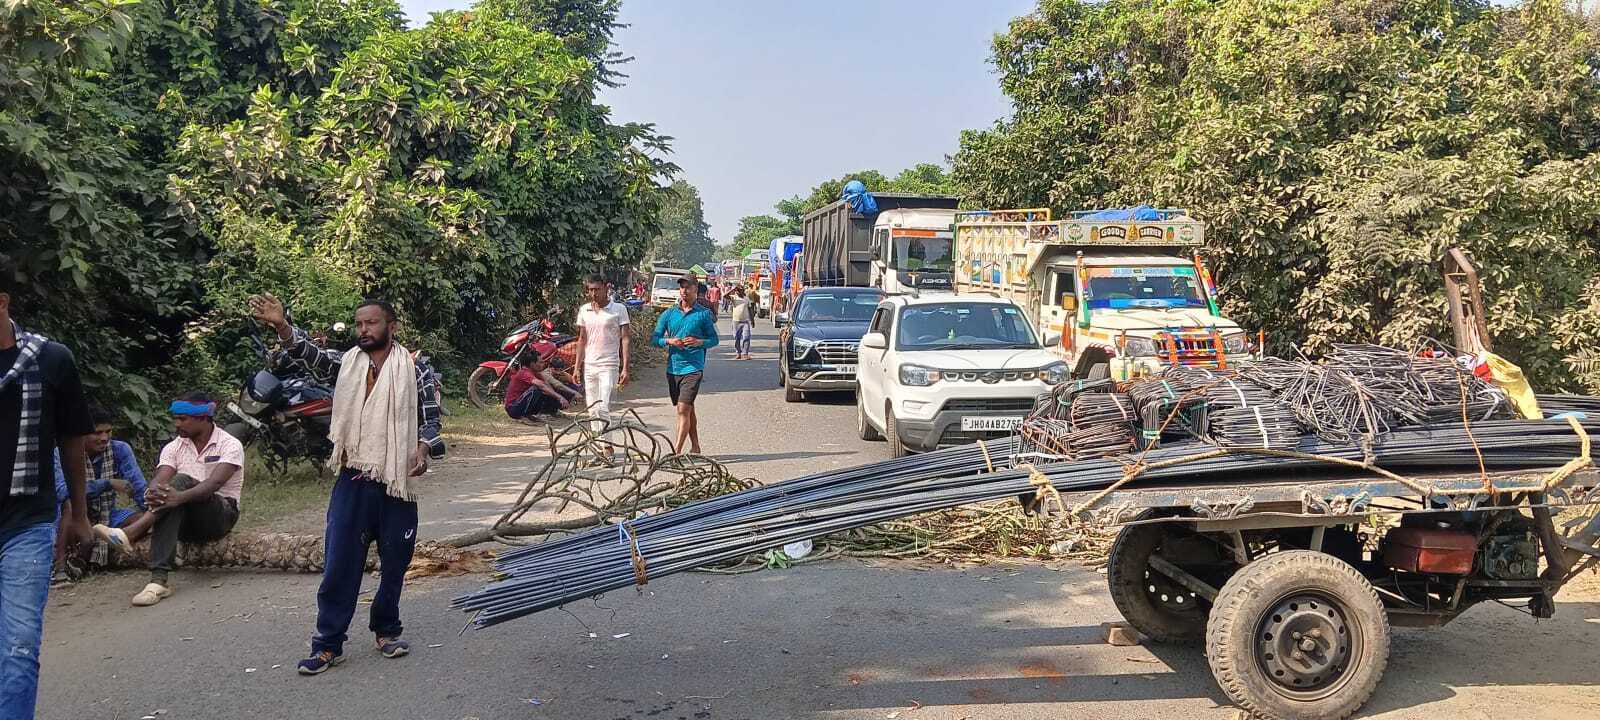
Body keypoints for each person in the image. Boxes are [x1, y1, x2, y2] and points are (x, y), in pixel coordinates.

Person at [249, 294, 444, 675]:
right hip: (353, 478)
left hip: (395, 483)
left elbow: (432, 421)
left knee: (395, 562)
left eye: (371, 323)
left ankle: (386, 630)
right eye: (359, 324)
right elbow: (310, 355)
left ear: (392, 327)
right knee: (340, 563)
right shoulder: (348, 363)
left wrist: (422, 450)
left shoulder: (415, 369)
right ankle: (327, 644)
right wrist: (282, 325)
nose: (363, 330)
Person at [0, 274, 93, 720]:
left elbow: (72, 440)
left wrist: (79, 512)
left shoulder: (52, 359)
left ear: (2, 302)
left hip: (27, 524)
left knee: (18, 649)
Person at [120, 391, 244, 607]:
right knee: (171, 492)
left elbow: (213, 484)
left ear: (203, 418)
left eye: (182, 419)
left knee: (182, 482)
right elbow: (160, 480)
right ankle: (158, 582)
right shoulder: (173, 447)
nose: (176, 424)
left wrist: (178, 497)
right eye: (176, 418)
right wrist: (156, 492)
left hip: (220, 516)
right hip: (184, 520)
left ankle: (134, 532)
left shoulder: (230, 444)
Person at [50, 405, 147, 580]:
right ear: (81, 434)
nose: (104, 438)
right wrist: (107, 483)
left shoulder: (120, 449)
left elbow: (138, 486)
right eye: (97, 433)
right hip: (71, 518)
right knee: (70, 504)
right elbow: (63, 492)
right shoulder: (60, 454)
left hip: (107, 514)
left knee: (141, 519)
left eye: (108, 432)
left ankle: (103, 549)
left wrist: (153, 509)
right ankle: (61, 567)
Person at [651, 278, 719, 455]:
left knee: (683, 409)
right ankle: (695, 447)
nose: (684, 291)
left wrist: (699, 342)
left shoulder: (703, 314)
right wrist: (669, 341)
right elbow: (655, 339)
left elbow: (714, 339)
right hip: (673, 368)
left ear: (696, 289)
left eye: (688, 287)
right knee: (688, 409)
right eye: (682, 287)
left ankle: (676, 452)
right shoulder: (669, 314)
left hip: (693, 368)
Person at [573, 274, 631, 432]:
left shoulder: (619, 309)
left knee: (603, 408)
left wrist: (625, 368)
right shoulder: (584, 310)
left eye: (597, 289)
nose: (594, 293)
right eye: (590, 290)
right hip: (590, 365)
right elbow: (582, 339)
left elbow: (625, 339)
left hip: (609, 364)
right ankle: (598, 443)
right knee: (592, 409)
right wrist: (577, 367)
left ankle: (606, 444)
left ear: (606, 288)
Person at [728, 287, 754, 361]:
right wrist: (733, 289)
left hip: (745, 321)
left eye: (740, 290)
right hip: (736, 321)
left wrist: (752, 320)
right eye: (737, 291)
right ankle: (738, 353)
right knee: (737, 338)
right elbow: (725, 296)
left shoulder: (746, 299)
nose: (738, 292)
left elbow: (750, 309)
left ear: (743, 291)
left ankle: (745, 354)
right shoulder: (734, 298)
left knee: (746, 337)